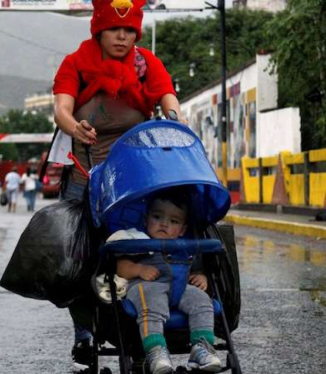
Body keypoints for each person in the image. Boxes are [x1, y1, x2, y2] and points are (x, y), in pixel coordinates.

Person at [51, 0, 185, 370]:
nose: (122, 37)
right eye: (114, 30)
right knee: (76, 258)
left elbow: (167, 97)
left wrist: (176, 119)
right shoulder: (75, 63)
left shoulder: (146, 64)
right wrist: (73, 126)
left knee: (139, 250)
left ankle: (145, 323)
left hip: (135, 178)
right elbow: (62, 108)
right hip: (85, 176)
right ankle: (84, 332)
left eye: (129, 31)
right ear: (99, 30)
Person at [112, 189, 221, 373]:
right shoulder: (137, 240)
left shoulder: (184, 247)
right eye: (157, 216)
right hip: (145, 288)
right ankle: (156, 351)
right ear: (145, 219)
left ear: (182, 230)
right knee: (152, 301)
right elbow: (121, 267)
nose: (164, 224)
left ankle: (201, 348)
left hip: (178, 288)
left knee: (202, 300)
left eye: (173, 221)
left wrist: (201, 276)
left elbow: (196, 267)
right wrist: (138, 269)